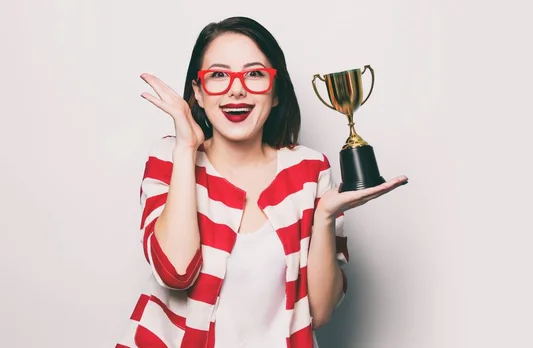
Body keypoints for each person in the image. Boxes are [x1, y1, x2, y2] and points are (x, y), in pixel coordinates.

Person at [116, 16, 408, 348]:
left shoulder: (309, 169)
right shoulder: (171, 156)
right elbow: (176, 273)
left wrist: (324, 215)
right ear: (197, 92)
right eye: (218, 75)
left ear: (277, 92)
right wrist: (187, 148)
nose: (236, 88)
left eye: (255, 74)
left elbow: (320, 312)